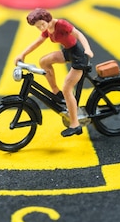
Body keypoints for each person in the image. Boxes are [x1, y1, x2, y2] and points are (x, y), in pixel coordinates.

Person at [14, 8, 94, 137]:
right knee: (44, 62)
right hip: (68, 52)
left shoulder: (61, 24)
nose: (40, 28)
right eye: (37, 26)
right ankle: (56, 91)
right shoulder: (47, 29)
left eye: (42, 25)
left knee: (67, 88)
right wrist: (23, 54)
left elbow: (78, 34)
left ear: (47, 19)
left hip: (79, 55)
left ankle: (75, 124)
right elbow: (37, 42)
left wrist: (88, 49)